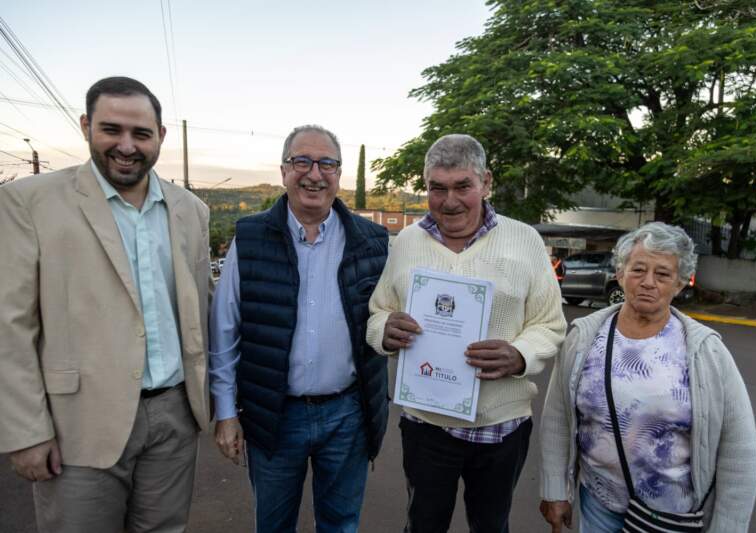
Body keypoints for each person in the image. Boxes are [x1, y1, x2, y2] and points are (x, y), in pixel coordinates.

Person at [0, 76, 212, 532]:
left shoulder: (191, 210)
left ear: (160, 136)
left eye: (141, 134)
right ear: (85, 126)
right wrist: (25, 431)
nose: (126, 146)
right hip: (77, 424)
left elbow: (198, 312)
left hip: (174, 417)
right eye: (111, 130)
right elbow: (9, 327)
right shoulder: (28, 202)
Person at [367, 133, 567, 533]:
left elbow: (550, 322)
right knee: (423, 523)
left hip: (502, 425)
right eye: (436, 188)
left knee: (491, 525)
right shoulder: (407, 241)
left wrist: (521, 354)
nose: (449, 200)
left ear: (486, 183)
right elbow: (379, 310)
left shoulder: (524, 239)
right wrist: (384, 331)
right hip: (426, 423)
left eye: (463, 186)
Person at [209, 124, 389, 533]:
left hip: (348, 414)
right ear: (283, 170)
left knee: (341, 524)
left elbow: (389, 318)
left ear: (339, 175)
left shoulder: (373, 241)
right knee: (273, 525)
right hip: (274, 414)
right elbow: (224, 331)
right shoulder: (250, 237)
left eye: (327, 163)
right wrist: (225, 413)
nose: (314, 173)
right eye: (301, 161)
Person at [539, 222, 756, 532]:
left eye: (663, 274)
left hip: (670, 515)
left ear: (681, 283)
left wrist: (729, 526)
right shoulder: (585, 337)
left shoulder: (704, 350)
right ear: (620, 273)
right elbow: (558, 418)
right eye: (638, 269)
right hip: (600, 502)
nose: (648, 282)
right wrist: (555, 489)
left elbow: (740, 448)